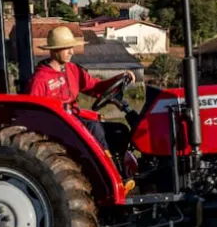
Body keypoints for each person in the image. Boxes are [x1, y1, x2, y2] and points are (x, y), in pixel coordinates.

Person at [28, 26, 137, 192]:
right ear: (54, 50)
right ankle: (110, 178)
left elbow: (95, 87)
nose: (71, 51)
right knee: (94, 127)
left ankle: (124, 172)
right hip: (61, 127)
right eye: (66, 48)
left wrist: (120, 77)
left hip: (76, 119)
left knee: (120, 130)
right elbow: (34, 113)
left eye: (71, 47)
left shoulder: (73, 70)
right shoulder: (40, 79)